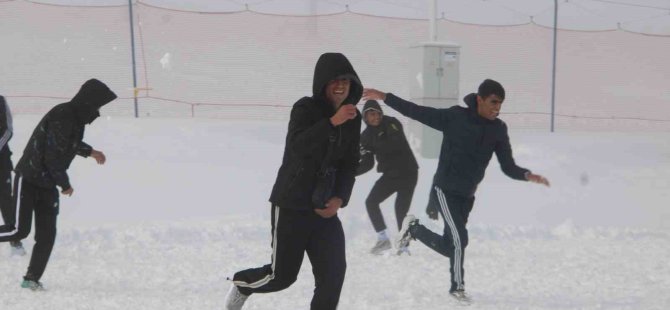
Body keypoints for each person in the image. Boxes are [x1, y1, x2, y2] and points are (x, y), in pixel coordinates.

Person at [363, 79, 550, 303]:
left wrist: (527, 175)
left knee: (452, 246)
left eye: (500, 104)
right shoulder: (456, 117)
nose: (497, 108)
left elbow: (508, 166)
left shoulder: (498, 130)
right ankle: (457, 288)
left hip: (467, 195)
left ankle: (415, 229)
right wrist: (385, 97)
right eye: (493, 102)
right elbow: (417, 112)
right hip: (444, 189)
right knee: (460, 239)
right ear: (479, 99)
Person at [224, 53, 362, 310]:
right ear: (323, 83)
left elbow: (350, 163)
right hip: (292, 204)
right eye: (334, 80)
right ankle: (243, 284)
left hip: (324, 207)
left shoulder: (354, 118)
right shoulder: (305, 109)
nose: (341, 85)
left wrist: (340, 198)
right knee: (282, 277)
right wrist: (332, 122)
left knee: (333, 275)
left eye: (346, 80)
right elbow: (298, 146)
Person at [0, 79, 116, 290]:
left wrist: (90, 152)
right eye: (98, 105)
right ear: (89, 102)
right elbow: (53, 155)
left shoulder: (76, 119)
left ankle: (31, 280)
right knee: (18, 230)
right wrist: (65, 184)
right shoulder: (63, 114)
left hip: (47, 183)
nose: (98, 111)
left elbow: (67, 144)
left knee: (46, 236)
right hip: (28, 178)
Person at [356, 99, 418, 255]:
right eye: (371, 114)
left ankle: (404, 248)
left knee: (400, 209)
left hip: (408, 172)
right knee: (371, 202)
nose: (375, 117)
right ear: (365, 117)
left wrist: (371, 145)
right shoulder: (366, 136)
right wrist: (350, 172)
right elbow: (368, 163)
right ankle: (383, 239)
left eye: (377, 113)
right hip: (390, 175)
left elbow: (395, 144)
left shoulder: (392, 123)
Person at [0, 95, 21, 254]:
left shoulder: (0, 101)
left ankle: (15, 241)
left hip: (2, 162)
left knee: (6, 200)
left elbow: (8, 129)